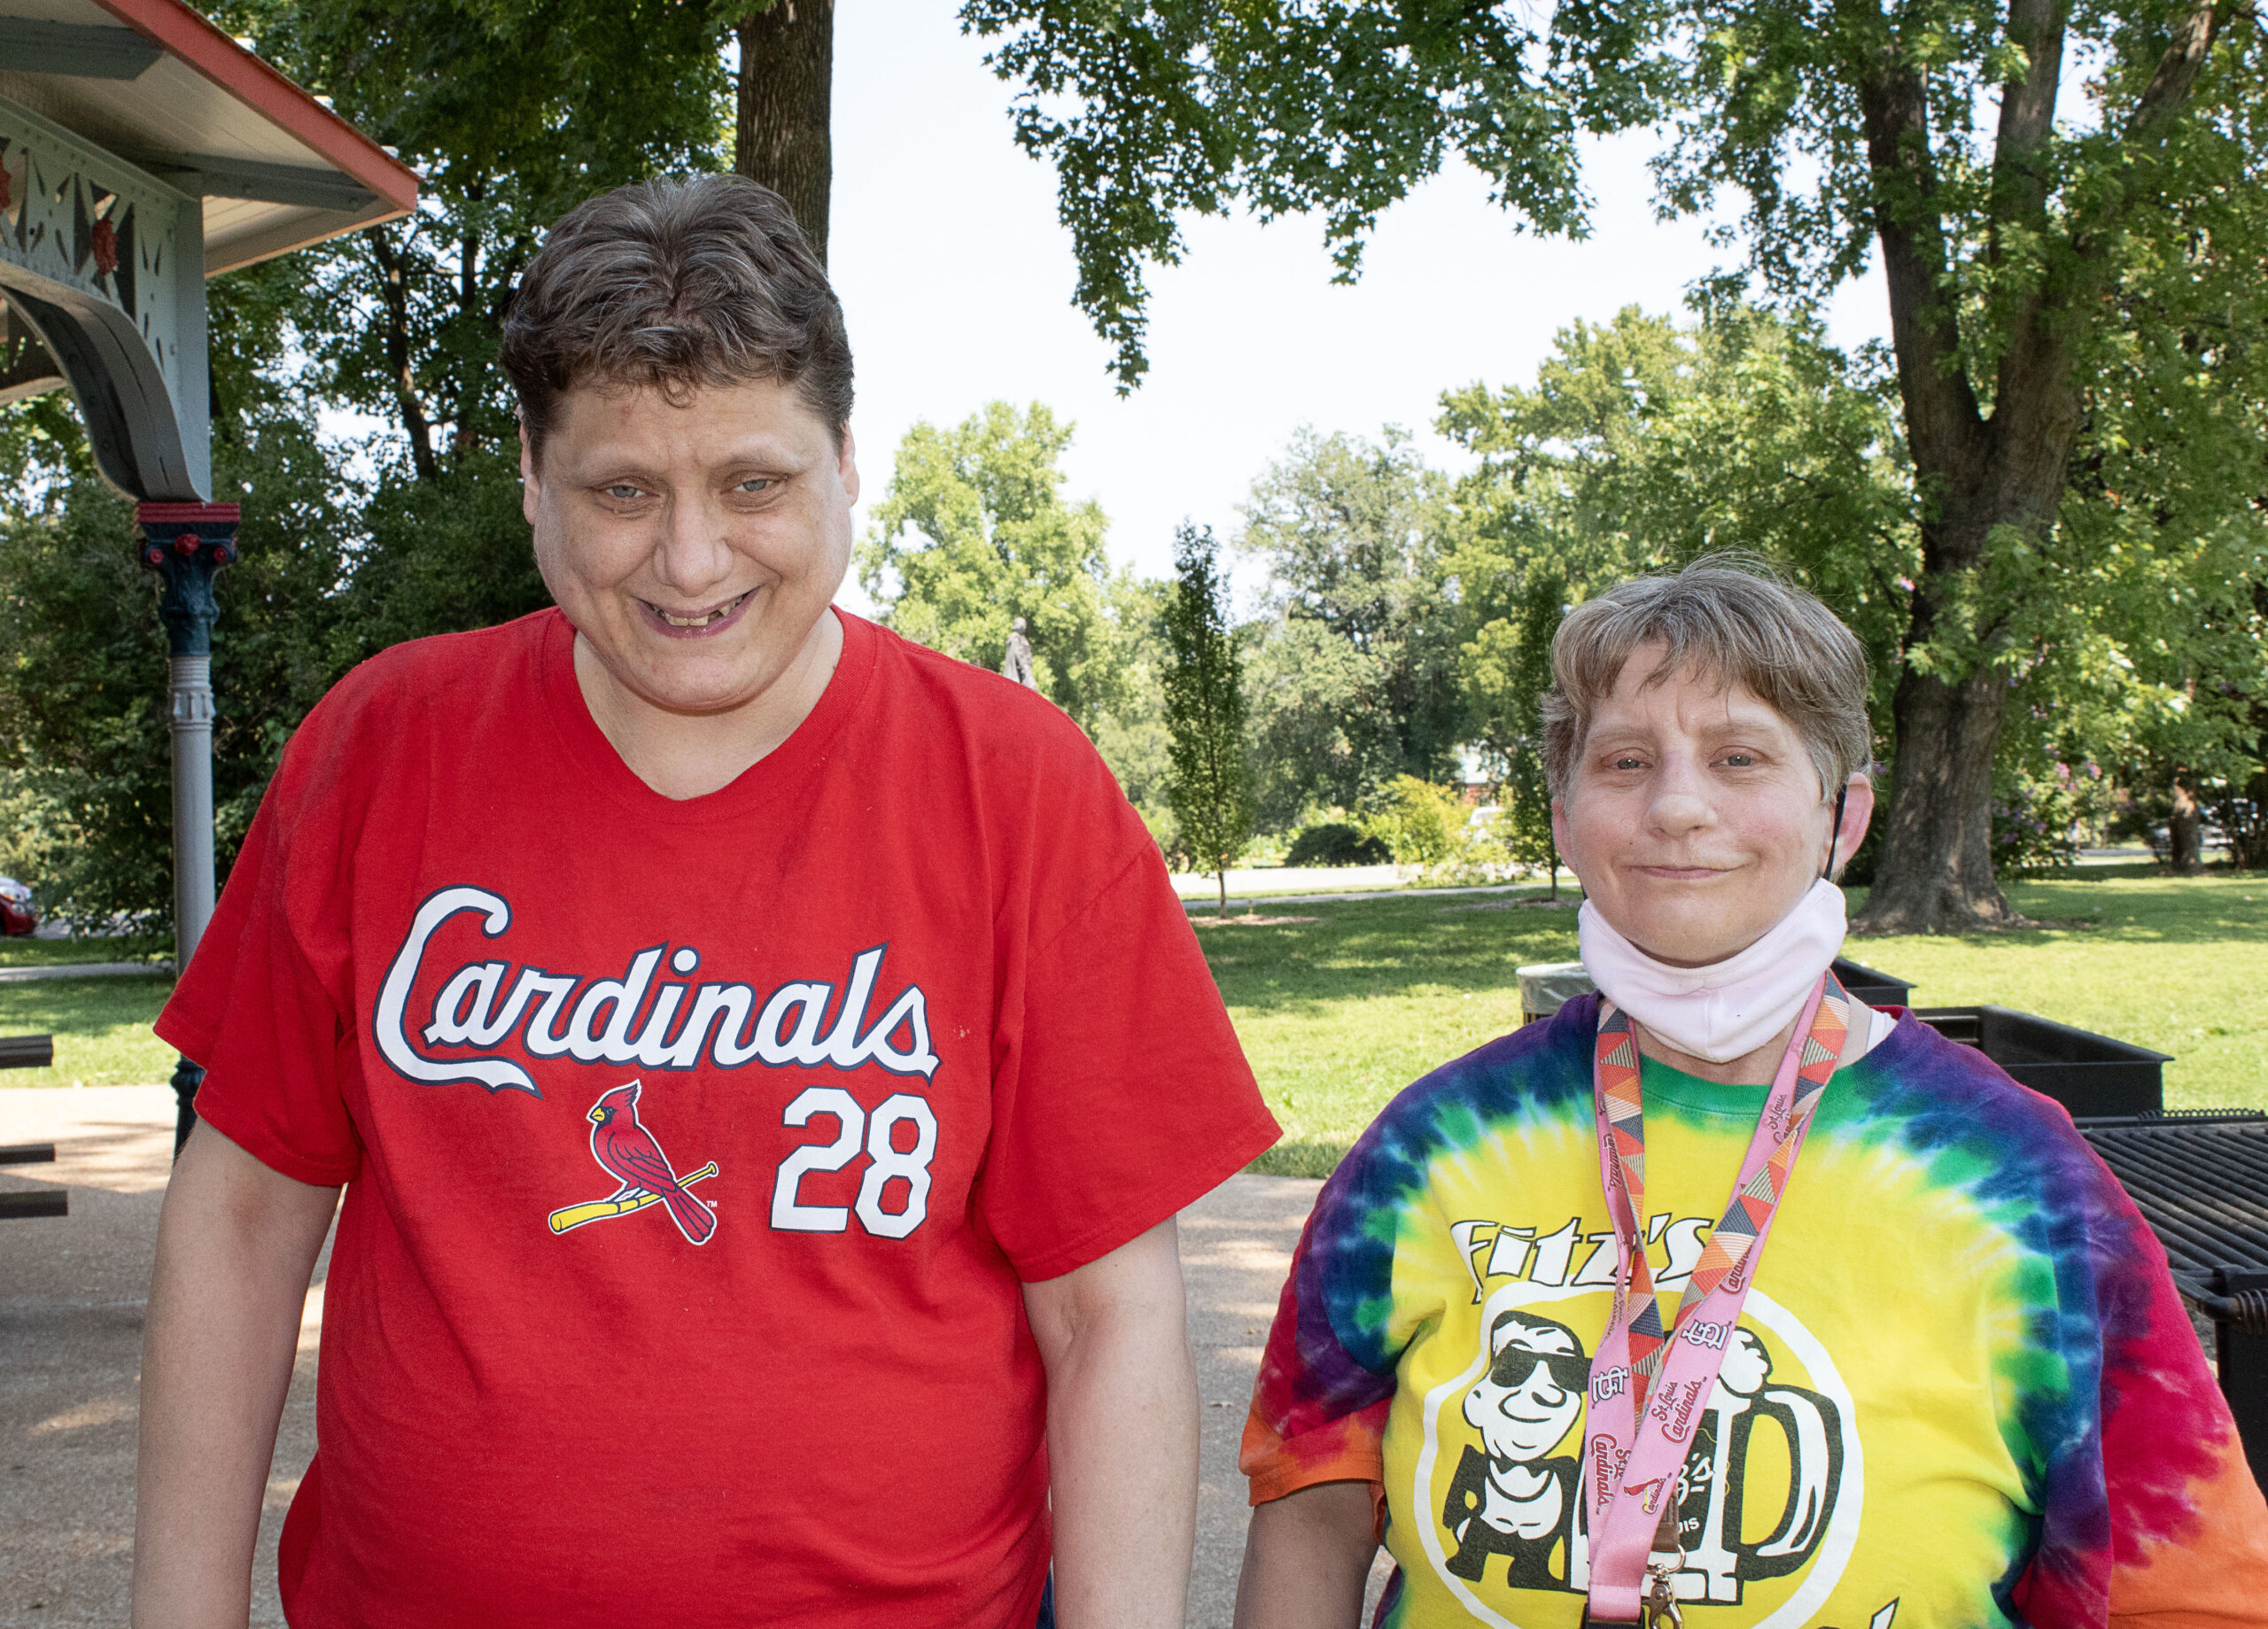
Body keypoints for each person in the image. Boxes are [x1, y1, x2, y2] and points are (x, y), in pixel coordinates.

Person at [130, 175, 1280, 1629]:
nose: (690, 559)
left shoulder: (1019, 787)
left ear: (847, 463)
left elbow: (1110, 1313)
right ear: (534, 483)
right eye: (623, 490)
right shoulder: (384, 747)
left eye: (754, 482)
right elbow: (238, 1218)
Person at [1234, 556, 2268, 1627]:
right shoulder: (1432, 1147)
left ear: (1844, 815)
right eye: (1626, 760)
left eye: (1738, 757)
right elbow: (1310, 1511)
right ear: (1561, 814)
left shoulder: (2016, 1177)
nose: (1678, 807)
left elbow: (2191, 1587)